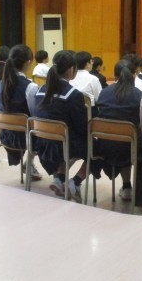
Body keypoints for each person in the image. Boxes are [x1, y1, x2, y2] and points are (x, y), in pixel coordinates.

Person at [92, 59, 142, 205]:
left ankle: (127, 185)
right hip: (129, 148)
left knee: (125, 138)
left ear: (115, 76)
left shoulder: (103, 93)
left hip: (106, 146)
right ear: (135, 75)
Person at [33, 50, 88, 202]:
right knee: (99, 148)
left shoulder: (40, 91)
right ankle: (75, 182)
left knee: (63, 139)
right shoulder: (73, 95)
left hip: (42, 144)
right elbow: (81, 127)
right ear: (71, 69)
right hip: (63, 146)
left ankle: (59, 178)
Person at [0, 44, 42, 180]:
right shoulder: (30, 87)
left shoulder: (0, 84)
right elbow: (34, 115)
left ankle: (30, 164)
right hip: (25, 138)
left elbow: (0, 109)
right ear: (28, 62)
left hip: (5, 134)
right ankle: (59, 175)